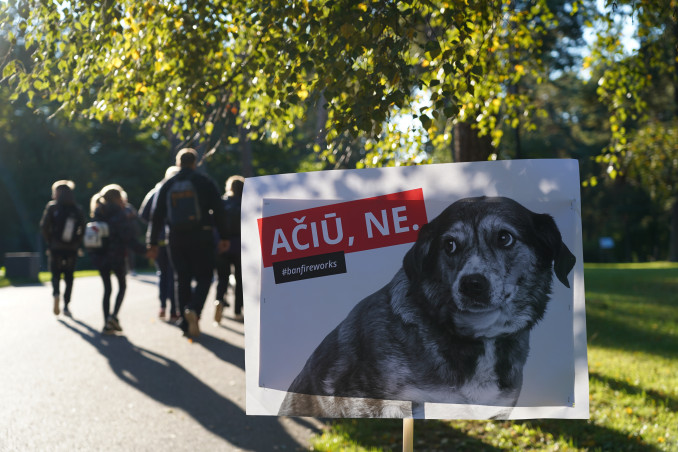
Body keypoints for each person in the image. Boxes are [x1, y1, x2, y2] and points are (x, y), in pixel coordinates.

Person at [147, 148, 229, 339]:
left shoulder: (168, 185)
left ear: (178, 163)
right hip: (202, 236)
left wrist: (152, 242)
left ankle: (185, 324)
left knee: (181, 279)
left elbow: (156, 215)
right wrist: (224, 237)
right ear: (194, 163)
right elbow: (219, 210)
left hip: (175, 238)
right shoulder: (204, 182)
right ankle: (194, 309)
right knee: (205, 276)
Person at [89, 184, 147, 334]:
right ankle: (113, 317)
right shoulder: (120, 214)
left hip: (100, 256)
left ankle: (107, 321)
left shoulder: (98, 211)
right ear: (116, 198)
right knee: (122, 286)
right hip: (117, 256)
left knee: (107, 289)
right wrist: (144, 251)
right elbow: (128, 237)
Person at [139, 165, 181, 323]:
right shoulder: (182, 191)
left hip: (158, 239)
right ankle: (174, 310)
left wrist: (155, 225)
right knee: (174, 275)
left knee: (163, 274)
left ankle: (163, 306)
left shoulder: (155, 191)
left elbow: (143, 214)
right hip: (176, 237)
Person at [40, 180, 87, 317]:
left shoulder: (52, 207)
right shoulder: (77, 209)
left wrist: (50, 241)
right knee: (69, 277)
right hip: (71, 248)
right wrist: (77, 242)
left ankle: (56, 294)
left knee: (55, 274)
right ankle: (66, 306)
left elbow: (44, 226)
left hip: (55, 247)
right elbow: (83, 228)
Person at [214, 175, 244, 323]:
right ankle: (238, 311)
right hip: (241, 246)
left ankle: (219, 300)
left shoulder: (221, 203)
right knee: (240, 280)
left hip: (222, 245)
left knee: (222, 278)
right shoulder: (246, 203)